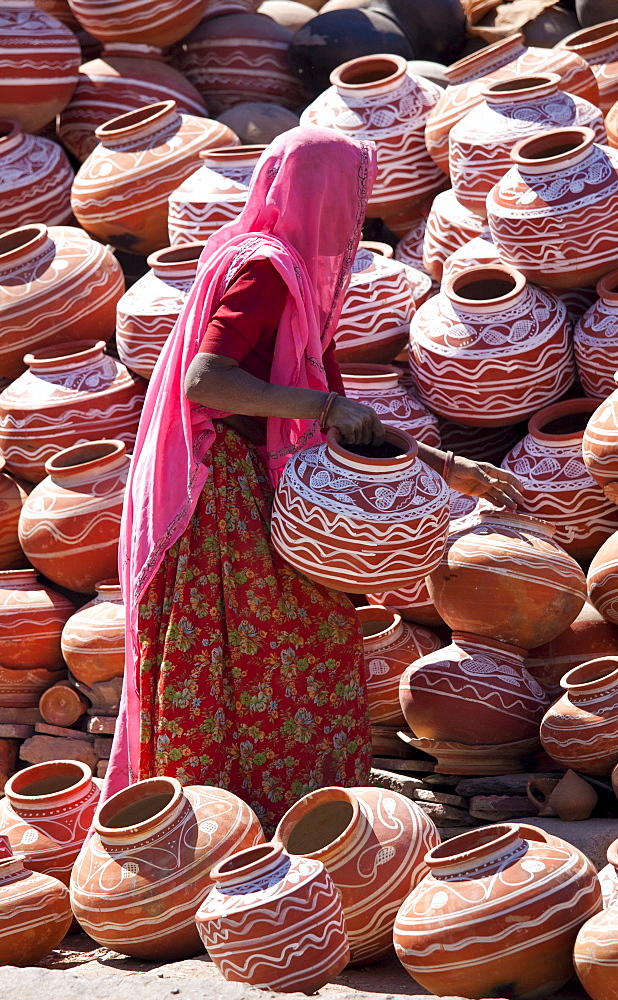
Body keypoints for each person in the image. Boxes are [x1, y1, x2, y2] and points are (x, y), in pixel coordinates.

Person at [105, 126, 524, 834]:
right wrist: (323, 406)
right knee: (262, 658)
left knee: (304, 650)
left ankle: (293, 828)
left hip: (265, 489)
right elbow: (206, 382)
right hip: (225, 500)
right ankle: (232, 833)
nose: (352, 218)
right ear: (319, 195)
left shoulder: (287, 275)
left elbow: (339, 419)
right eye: (349, 196)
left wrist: (446, 467)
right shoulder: (266, 271)